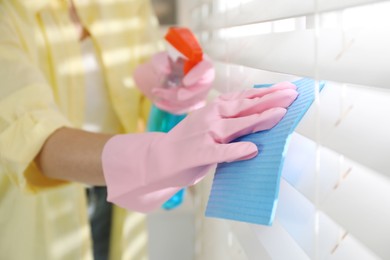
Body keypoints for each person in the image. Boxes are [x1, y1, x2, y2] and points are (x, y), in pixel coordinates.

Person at [0, 0, 298, 260]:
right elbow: (27, 134)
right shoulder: (8, 13)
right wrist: (150, 159)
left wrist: (177, 95)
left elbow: (149, 100)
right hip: (36, 214)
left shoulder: (125, 6)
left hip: (116, 203)